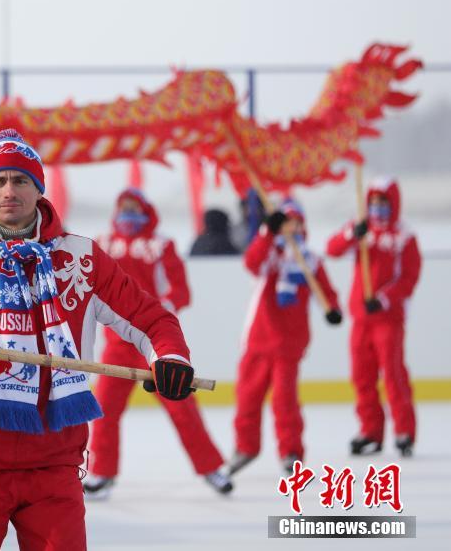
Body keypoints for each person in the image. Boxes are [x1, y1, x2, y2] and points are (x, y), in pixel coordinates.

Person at [0, 129, 195, 550]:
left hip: (54, 464)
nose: (9, 190)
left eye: (20, 180)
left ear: (39, 188)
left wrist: (170, 357)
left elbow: (151, 318)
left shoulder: (81, 258)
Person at [84, 189, 232, 499]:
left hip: (154, 343)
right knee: (104, 409)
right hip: (118, 342)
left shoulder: (161, 245)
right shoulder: (103, 244)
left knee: (182, 407)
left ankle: (211, 468)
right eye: (122, 208)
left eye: (133, 208)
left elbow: (181, 291)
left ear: (145, 210)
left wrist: (159, 313)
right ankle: (102, 472)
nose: (127, 215)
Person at [228, 199, 343, 475]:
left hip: (289, 342)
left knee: (285, 400)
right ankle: (246, 448)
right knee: (247, 396)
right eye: (286, 223)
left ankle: (291, 450)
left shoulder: (310, 260)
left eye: (296, 222)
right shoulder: (269, 254)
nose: (291, 228)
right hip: (258, 339)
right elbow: (251, 262)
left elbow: (325, 291)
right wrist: (267, 233)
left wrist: (333, 310)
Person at [326, 177, 421, 457]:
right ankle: (370, 430)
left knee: (393, 374)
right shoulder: (361, 229)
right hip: (360, 318)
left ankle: (404, 430)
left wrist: (382, 300)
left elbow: (409, 278)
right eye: (374, 203)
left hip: (387, 318)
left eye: (383, 203)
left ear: (394, 204)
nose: (378, 209)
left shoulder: (405, 236)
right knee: (361, 376)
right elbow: (333, 249)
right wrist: (351, 234)